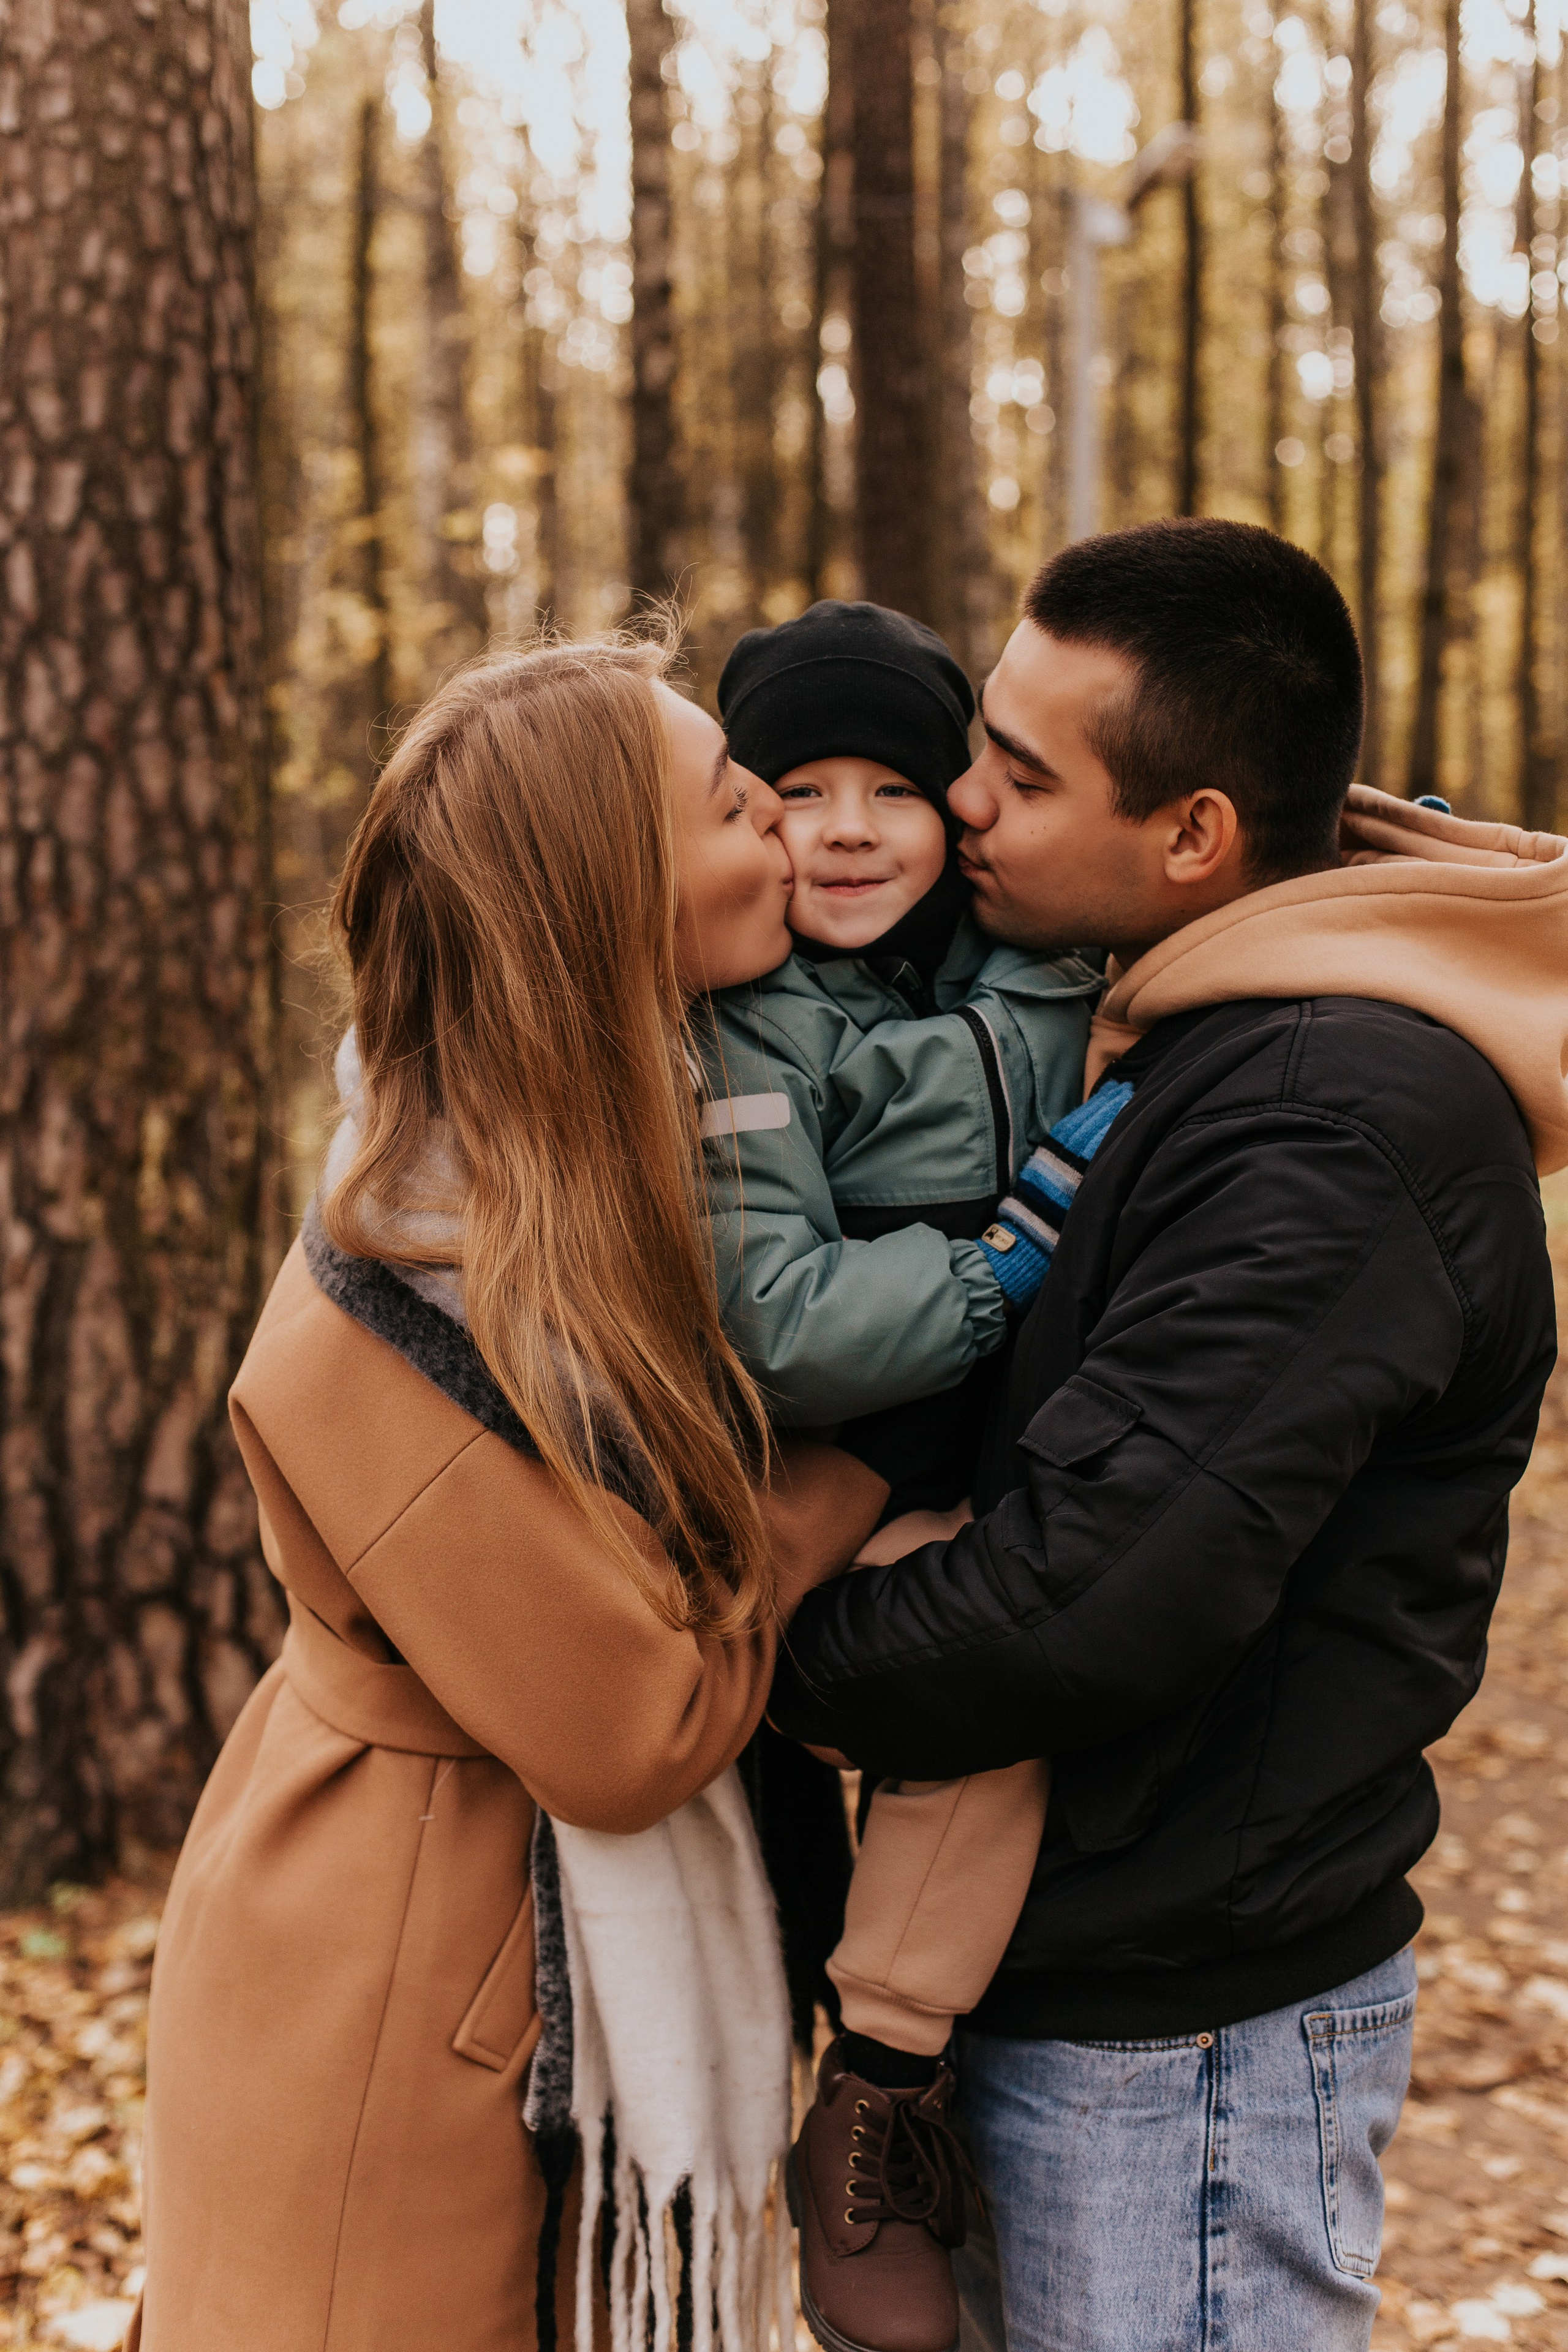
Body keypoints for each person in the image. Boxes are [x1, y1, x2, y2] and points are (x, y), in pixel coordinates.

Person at [771, 519, 1566, 2352]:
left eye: (1021, 773)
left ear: (1196, 833)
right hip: (1067, 1990)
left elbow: (1088, 1596)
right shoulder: (1196, 1028)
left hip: (1181, 2053)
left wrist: (748, 1664)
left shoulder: (1329, 1119)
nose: (962, 802)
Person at [129, 637, 880, 2352]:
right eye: (737, 807)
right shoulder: (404, 1276)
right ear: (608, 897)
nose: (785, 833)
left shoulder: (610, 1163)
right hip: (401, 1988)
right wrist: (849, 1490)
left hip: (466, 1938)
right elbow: (627, 1727)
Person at [704, 601, 1102, 2352]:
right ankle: (873, 2082)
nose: (849, 831)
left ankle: (884, 2060)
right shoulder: (747, 1022)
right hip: (842, 1468)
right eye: (799, 792)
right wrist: (1004, 1266)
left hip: (1016, 1440)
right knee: (973, 1688)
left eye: (896, 789)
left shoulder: (1035, 959)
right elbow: (777, 1321)